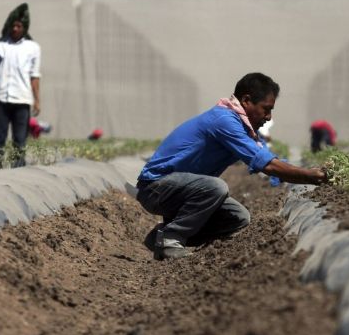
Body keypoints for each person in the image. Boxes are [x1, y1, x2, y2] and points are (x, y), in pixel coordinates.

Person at [136, 73, 328, 260]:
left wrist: (300, 175)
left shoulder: (243, 128)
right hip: (156, 188)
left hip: (182, 189)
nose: (269, 117)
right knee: (216, 187)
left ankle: (161, 236)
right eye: (266, 109)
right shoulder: (224, 121)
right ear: (246, 100)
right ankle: (171, 239)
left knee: (238, 218)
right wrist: (310, 176)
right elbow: (268, 166)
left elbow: (269, 159)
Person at [0, 3, 41, 169]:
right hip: (1, 98)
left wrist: (37, 100)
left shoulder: (33, 48)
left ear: (24, 27)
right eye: (13, 25)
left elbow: (34, 76)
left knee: (20, 139)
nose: (15, 29)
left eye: (19, 26)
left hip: (22, 99)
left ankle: (19, 169)